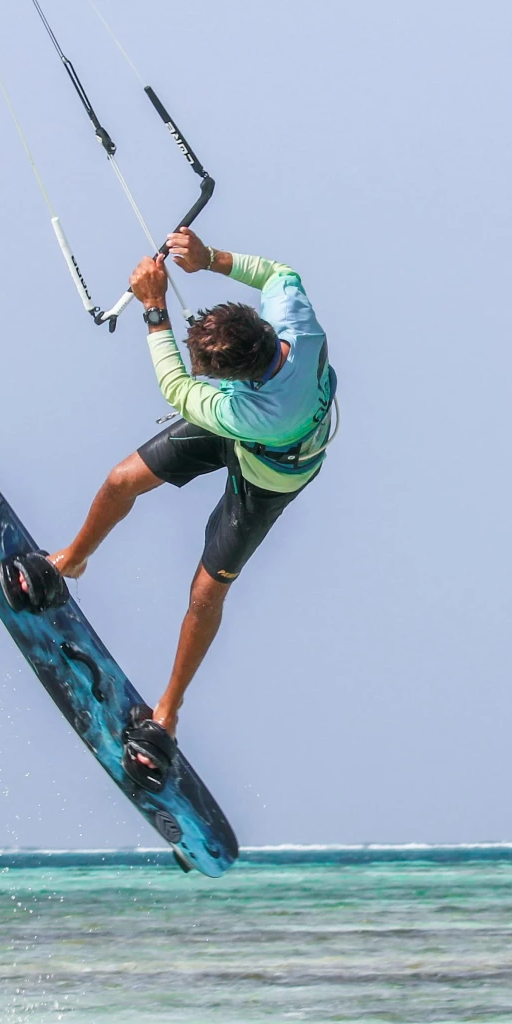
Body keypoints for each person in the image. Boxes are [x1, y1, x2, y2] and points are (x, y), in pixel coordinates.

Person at [45, 226, 335, 741]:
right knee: (122, 480)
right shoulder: (293, 323)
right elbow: (277, 273)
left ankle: (168, 712)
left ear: (237, 378)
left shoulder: (251, 413)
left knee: (205, 593)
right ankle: (70, 561)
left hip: (271, 474)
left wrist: (153, 307)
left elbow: (178, 389)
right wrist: (211, 258)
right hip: (251, 417)